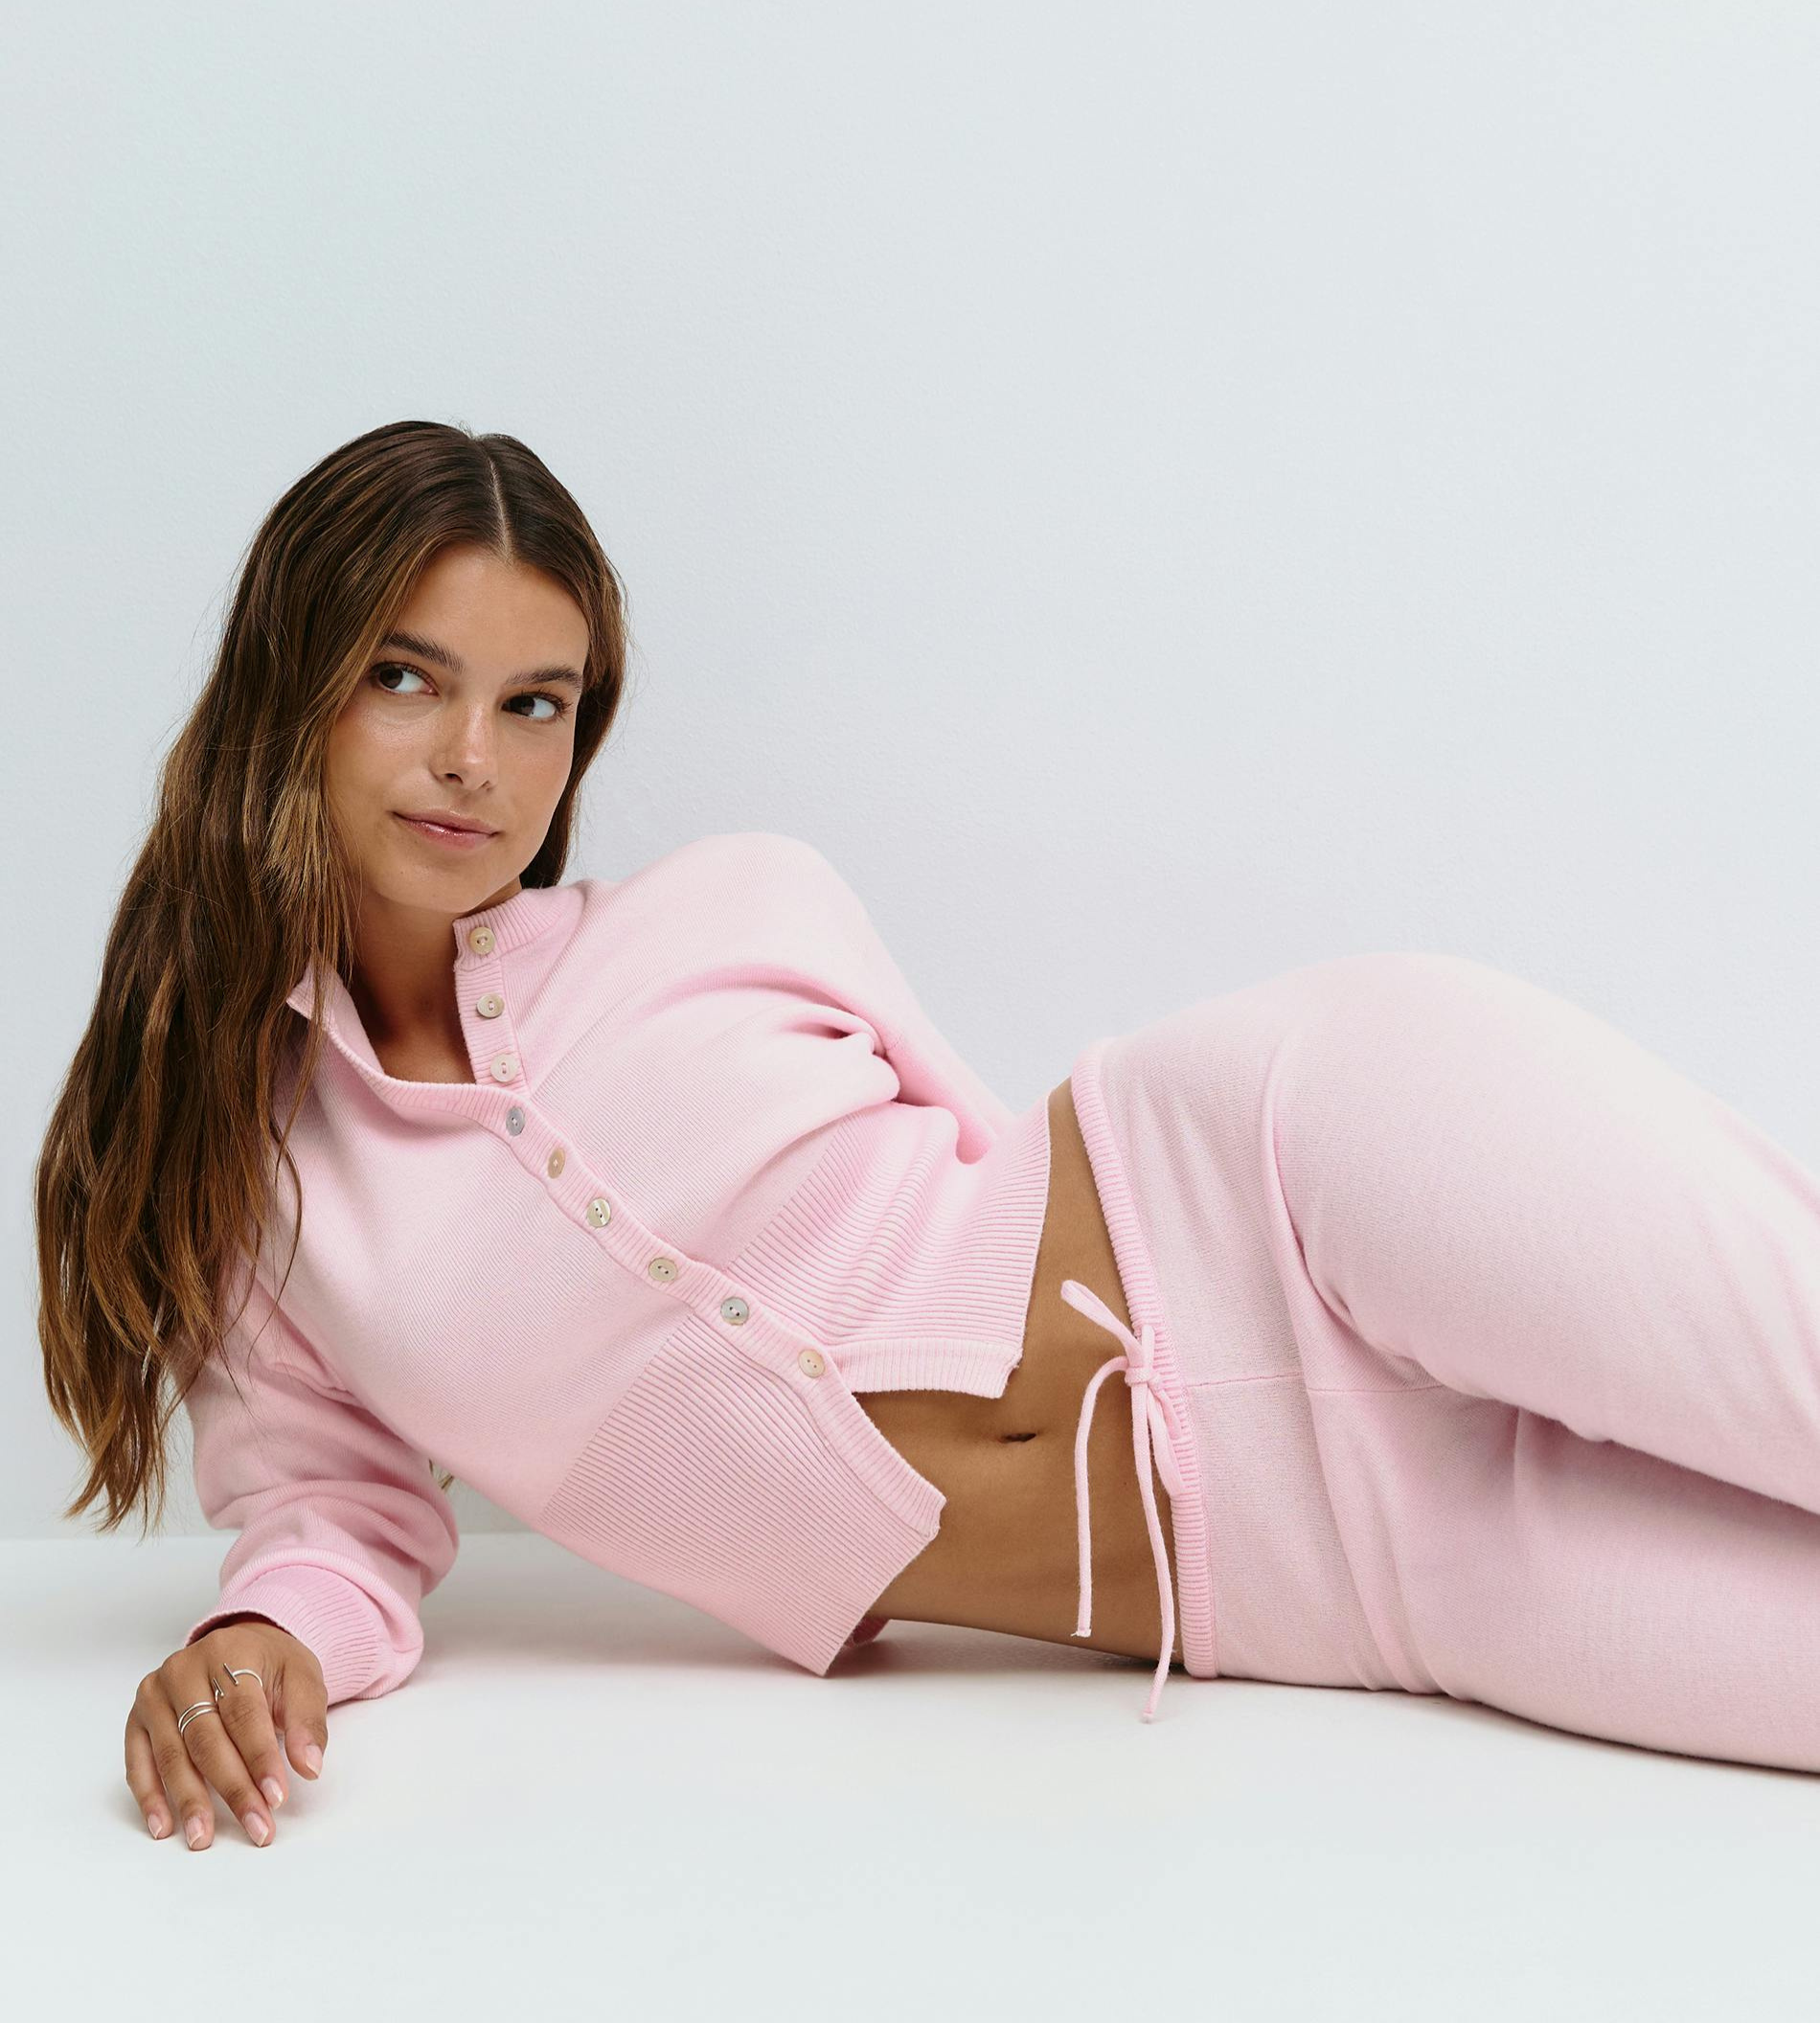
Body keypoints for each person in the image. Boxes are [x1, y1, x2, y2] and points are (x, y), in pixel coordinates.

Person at [34, 422, 1820, 1855]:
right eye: (405, 678)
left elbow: (998, 1156)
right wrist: (257, 1641)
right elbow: (332, 1521)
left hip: (1304, 1180)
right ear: (293, 685)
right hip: (1321, 1584)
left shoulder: (739, 901)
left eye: (536, 701)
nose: (474, 760)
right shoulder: (257, 1197)